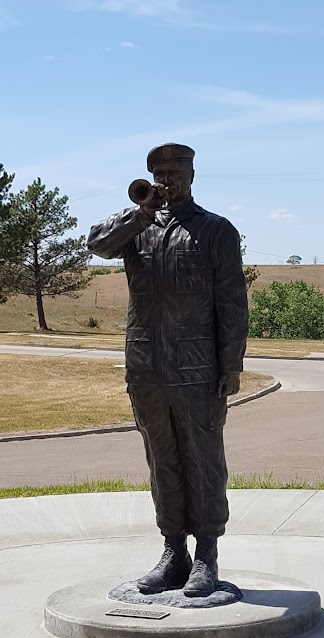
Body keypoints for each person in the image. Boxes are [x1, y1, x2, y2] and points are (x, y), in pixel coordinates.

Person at [87, 143, 248, 597]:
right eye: (158, 171)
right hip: (146, 367)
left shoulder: (216, 230)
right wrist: (139, 214)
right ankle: (172, 551)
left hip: (199, 369)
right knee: (162, 461)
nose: (165, 178)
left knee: (204, 461)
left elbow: (233, 303)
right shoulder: (137, 226)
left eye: (174, 171)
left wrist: (231, 364)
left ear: (192, 174)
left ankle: (207, 555)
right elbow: (96, 244)